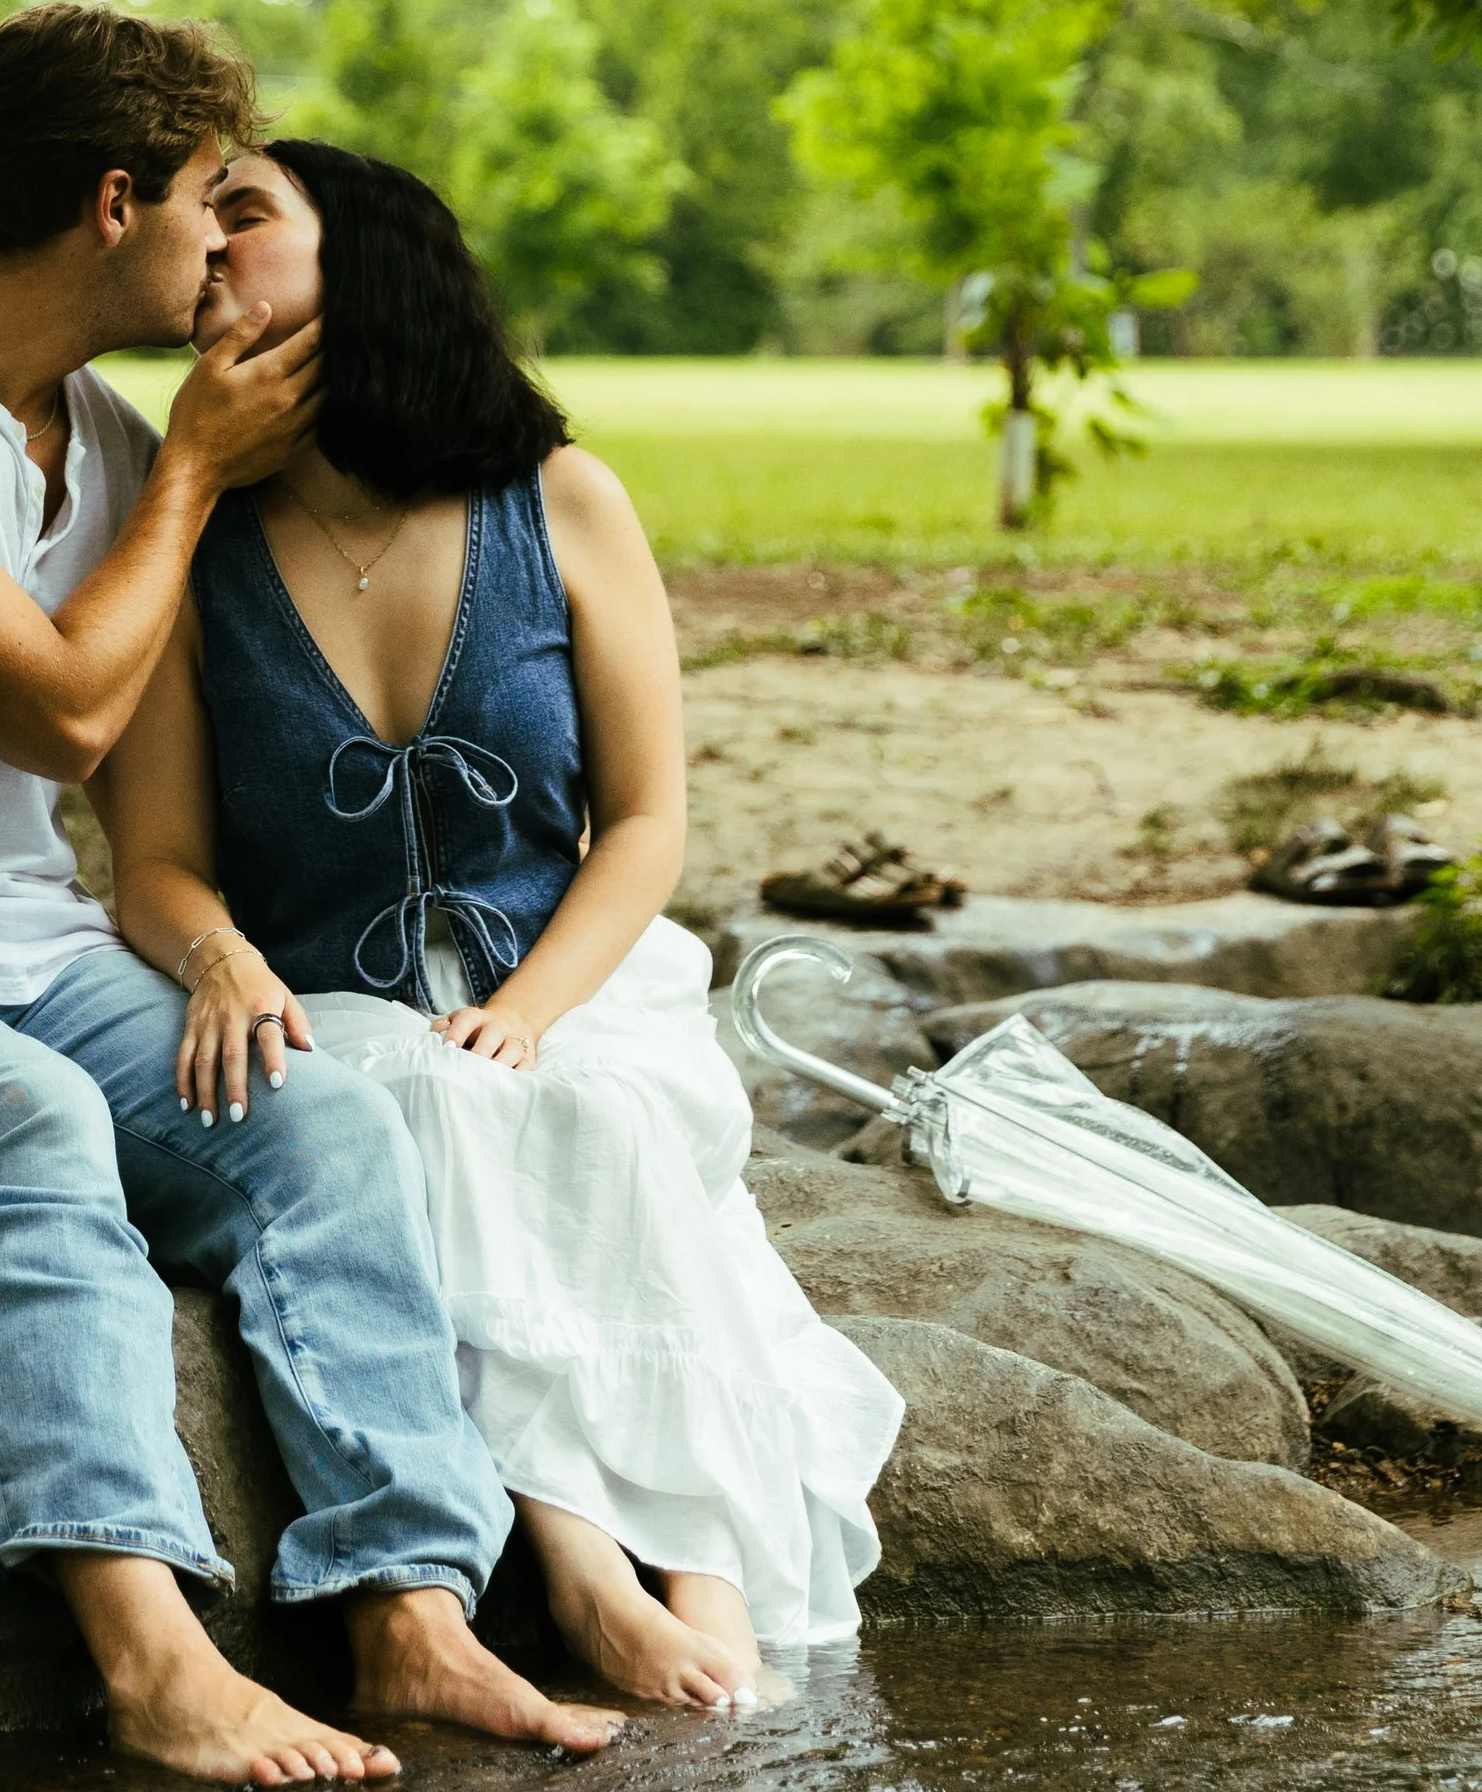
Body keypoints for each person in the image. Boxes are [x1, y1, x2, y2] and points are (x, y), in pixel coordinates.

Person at [0, 8, 618, 1790]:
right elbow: (63, 704)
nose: (223, 244)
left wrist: (225, 945)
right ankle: (155, 1655)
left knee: (317, 1122)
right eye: (207, 201)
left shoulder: (92, 434)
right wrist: (191, 470)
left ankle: (405, 1610)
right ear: (117, 204)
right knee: (24, 1132)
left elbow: (146, 807)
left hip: (20, 945)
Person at [99, 140, 905, 1710]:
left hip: (575, 972)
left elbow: (649, 819)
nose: (205, 247)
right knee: (418, 1099)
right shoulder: (183, 546)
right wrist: (221, 954)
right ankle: (591, 1576)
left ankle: (711, 1577)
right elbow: (155, 862)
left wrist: (535, 1002)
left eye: (247, 216)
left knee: (579, 1099)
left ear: (371, 259)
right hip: (326, 996)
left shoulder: (562, 498)